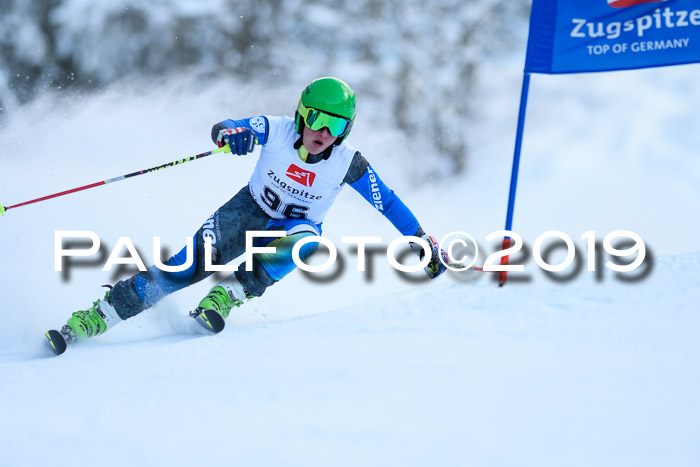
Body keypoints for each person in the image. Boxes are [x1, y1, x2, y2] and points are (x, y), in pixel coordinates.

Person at [54, 77, 448, 344]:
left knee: (309, 244)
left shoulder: (347, 163)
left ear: (346, 130)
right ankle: (98, 316)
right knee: (183, 269)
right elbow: (228, 126)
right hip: (245, 212)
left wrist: (420, 240)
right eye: (316, 118)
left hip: (295, 228)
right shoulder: (277, 129)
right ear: (302, 114)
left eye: (336, 125)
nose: (322, 132)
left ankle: (230, 294)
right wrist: (233, 135)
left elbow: (388, 202)